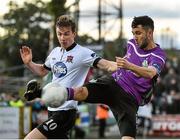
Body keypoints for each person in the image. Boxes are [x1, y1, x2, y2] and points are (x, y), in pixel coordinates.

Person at [48, 15, 166, 139]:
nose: (135, 37)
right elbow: (125, 61)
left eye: (138, 33)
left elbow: (150, 73)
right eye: (133, 33)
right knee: (81, 91)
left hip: (130, 99)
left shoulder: (158, 55)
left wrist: (130, 66)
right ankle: (50, 94)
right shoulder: (131, 43)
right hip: (113, 83)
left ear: (149, 32)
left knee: (128, 138)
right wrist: (118, 65)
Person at [20, 15, 116, 139]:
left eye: (66, 34)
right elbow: (42, 71)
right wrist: (29, 63)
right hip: (52, 109)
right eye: (59, 34)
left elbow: (107, 65)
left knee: (30, 139)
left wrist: (129, 66)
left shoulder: (83, 53)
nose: (62, 38)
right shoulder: (54, 52)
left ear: (74, 33)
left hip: (66, 112)